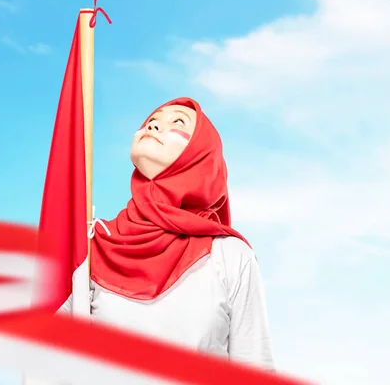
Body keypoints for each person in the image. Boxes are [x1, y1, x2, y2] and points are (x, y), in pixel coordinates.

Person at [82, 97, 274, 370]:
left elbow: (255, 367)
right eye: (151, 121)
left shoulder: (230, 255)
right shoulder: (92, 244)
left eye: (177, 122)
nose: (154, 127)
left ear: (200, 155)